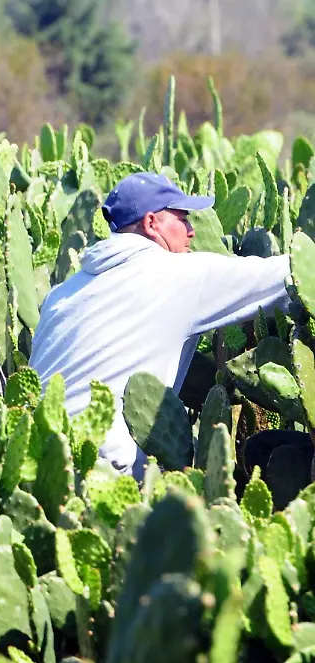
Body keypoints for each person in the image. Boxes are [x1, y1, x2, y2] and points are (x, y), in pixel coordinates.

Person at [28, 172, 292, 479]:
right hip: (107, 476)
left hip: (37, 466)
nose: (192, 231)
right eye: (182, 218)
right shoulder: (175, 275)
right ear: (152, 223)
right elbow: (286, 276)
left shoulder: (60, 294)